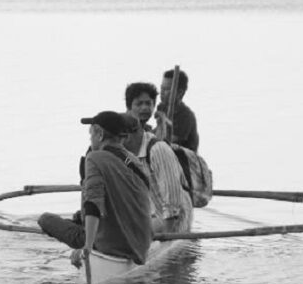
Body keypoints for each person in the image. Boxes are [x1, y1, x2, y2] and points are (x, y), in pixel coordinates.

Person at [38, 111, 153, 267]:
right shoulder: (134, 160)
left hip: (110, 245)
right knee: (79, 218)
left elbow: (93, 204)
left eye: (91, 134)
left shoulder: (94, 158)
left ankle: (91, 242)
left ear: (99, 135)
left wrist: (87, 247)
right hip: (141, 245)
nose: (90, 139)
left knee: (45, 219)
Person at [122, 82, 192, 234]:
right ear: (129, 107)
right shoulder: (124, 140)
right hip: (152, 210)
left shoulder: (157, 148)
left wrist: (166, 238)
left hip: (172, 216)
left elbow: (172, 204)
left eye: (148, 103)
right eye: (139, 104)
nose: (145, 108)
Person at [156, 68, 199, 152]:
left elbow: (169, 140)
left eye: (166, 89)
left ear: (180, 93)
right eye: (161, 88)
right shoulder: (162, 107)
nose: (161, 92)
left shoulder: (186, 115)